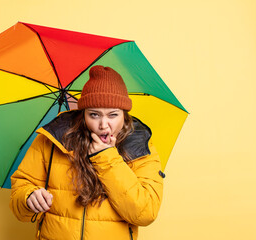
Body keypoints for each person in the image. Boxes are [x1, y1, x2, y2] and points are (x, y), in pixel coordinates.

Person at [10, 65, 164, 240]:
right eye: (94, 115)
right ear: (83, 114)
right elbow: (20, 198)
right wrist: (28, 197)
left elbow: (145, 213)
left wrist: (106, 157)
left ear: (124, 114)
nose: (104, 125)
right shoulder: (52, 140)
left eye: (113, 115)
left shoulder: (141, 146)